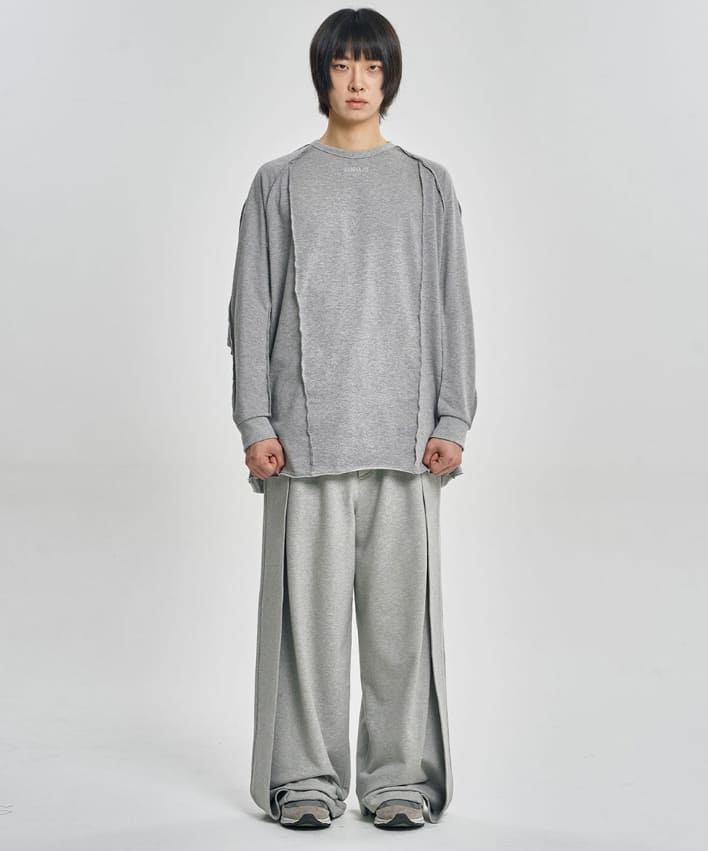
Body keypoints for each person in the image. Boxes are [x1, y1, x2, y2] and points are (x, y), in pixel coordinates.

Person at [227, 6, 477, 831]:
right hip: (304, 440)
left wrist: (453, 416)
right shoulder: (279, 182)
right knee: (307, 630)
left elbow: (452, 305)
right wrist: (256, 421)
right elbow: (252, 307)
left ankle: (399, 776)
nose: (358, 80)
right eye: (343, 65)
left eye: (372, 65)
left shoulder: (428, 184)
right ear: (323, 76)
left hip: (406, 439)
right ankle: (305, 775)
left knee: (402, 630)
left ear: (390, 77)